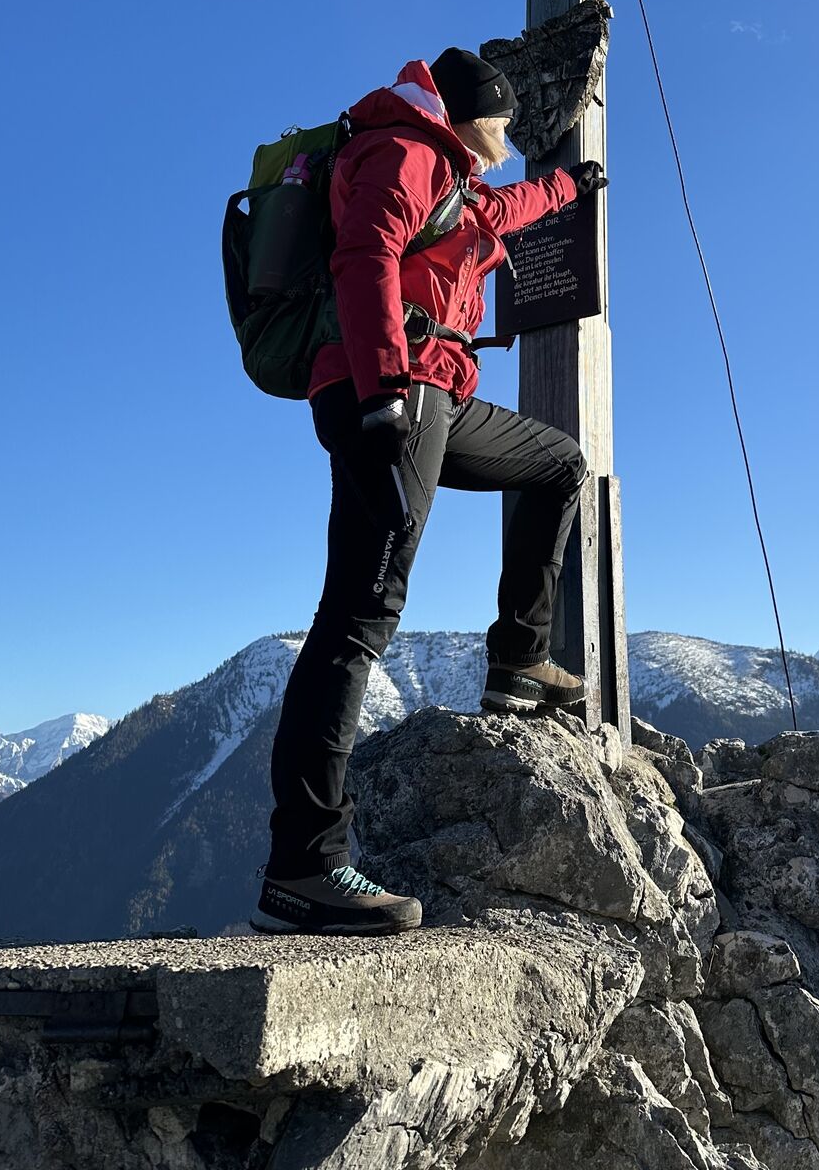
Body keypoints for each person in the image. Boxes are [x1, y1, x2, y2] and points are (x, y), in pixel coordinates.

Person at [252, 47, 606, 937]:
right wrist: (379, 394)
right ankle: (303, 866)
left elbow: (502, 210)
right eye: (504, 125)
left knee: (558, 464)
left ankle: (518, 660)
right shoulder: (404, 149)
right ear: (472, 116)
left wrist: (569, 188)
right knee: (358, 615)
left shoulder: (453, 174)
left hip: (431, 394)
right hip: (392, 391)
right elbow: (365, 256)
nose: (511, 140)